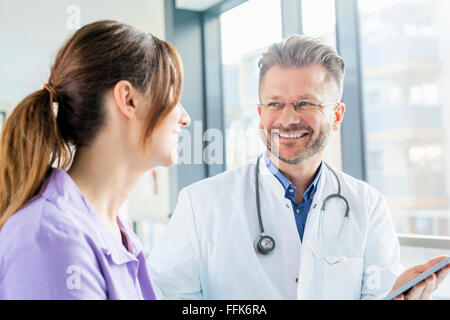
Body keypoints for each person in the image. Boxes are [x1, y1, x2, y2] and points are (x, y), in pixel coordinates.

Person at [148, 35, 449, 300]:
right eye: (275, 104)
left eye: (306, 103)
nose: (288, 118)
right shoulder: (201, 204)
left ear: (337, 115)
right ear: (260, 113)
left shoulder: (367, 207)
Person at [0, 20, 191, 299]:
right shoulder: (52, 240)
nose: (184, 118)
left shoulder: (116, 235)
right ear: (128, 100)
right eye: (174, 96)